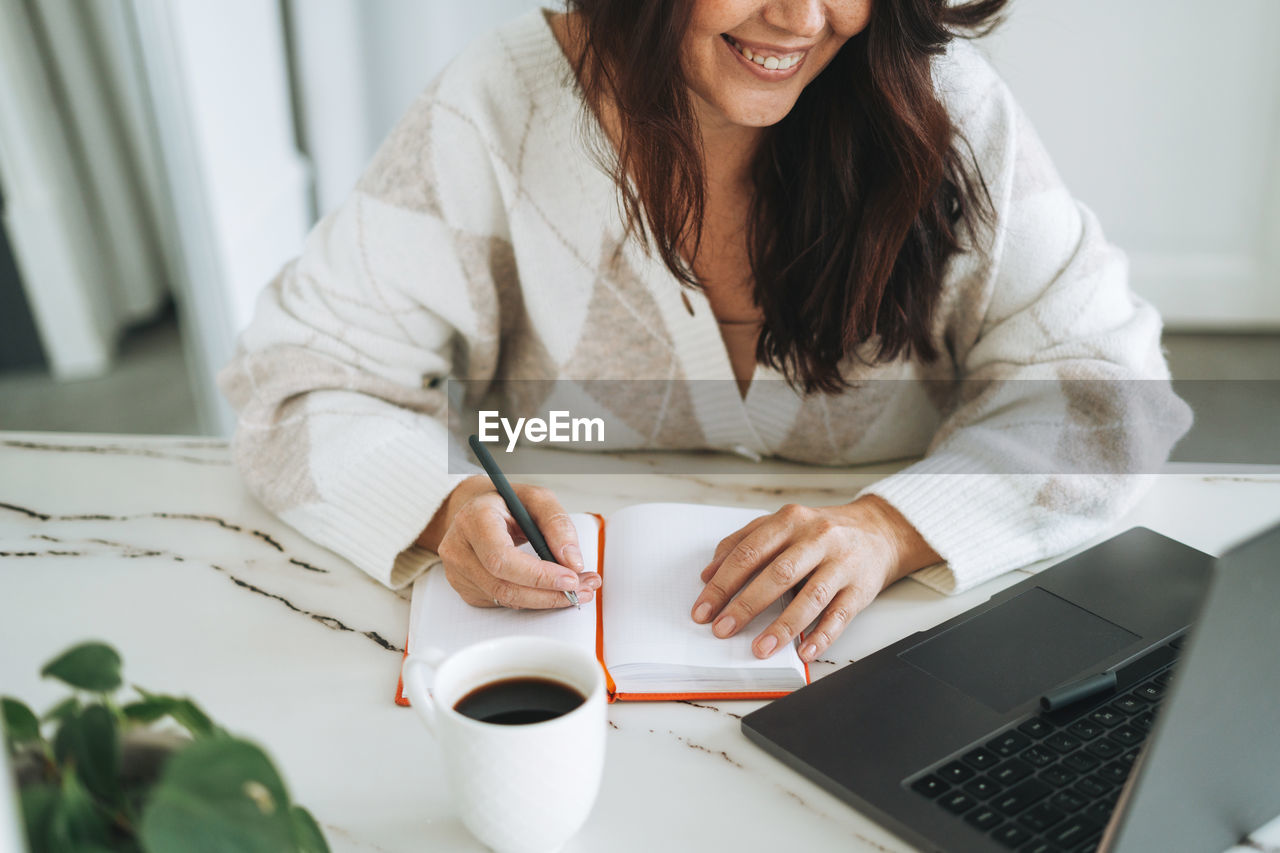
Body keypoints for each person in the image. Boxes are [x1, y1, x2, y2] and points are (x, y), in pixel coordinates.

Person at [219, 0, 1189, 665]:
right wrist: (437, 507)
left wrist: (892, 528)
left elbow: (1110, 395)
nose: (800, 19)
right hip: (545, 650)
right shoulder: (497, 103)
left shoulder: (941, 103)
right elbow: (294, 379)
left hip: (889, 649)